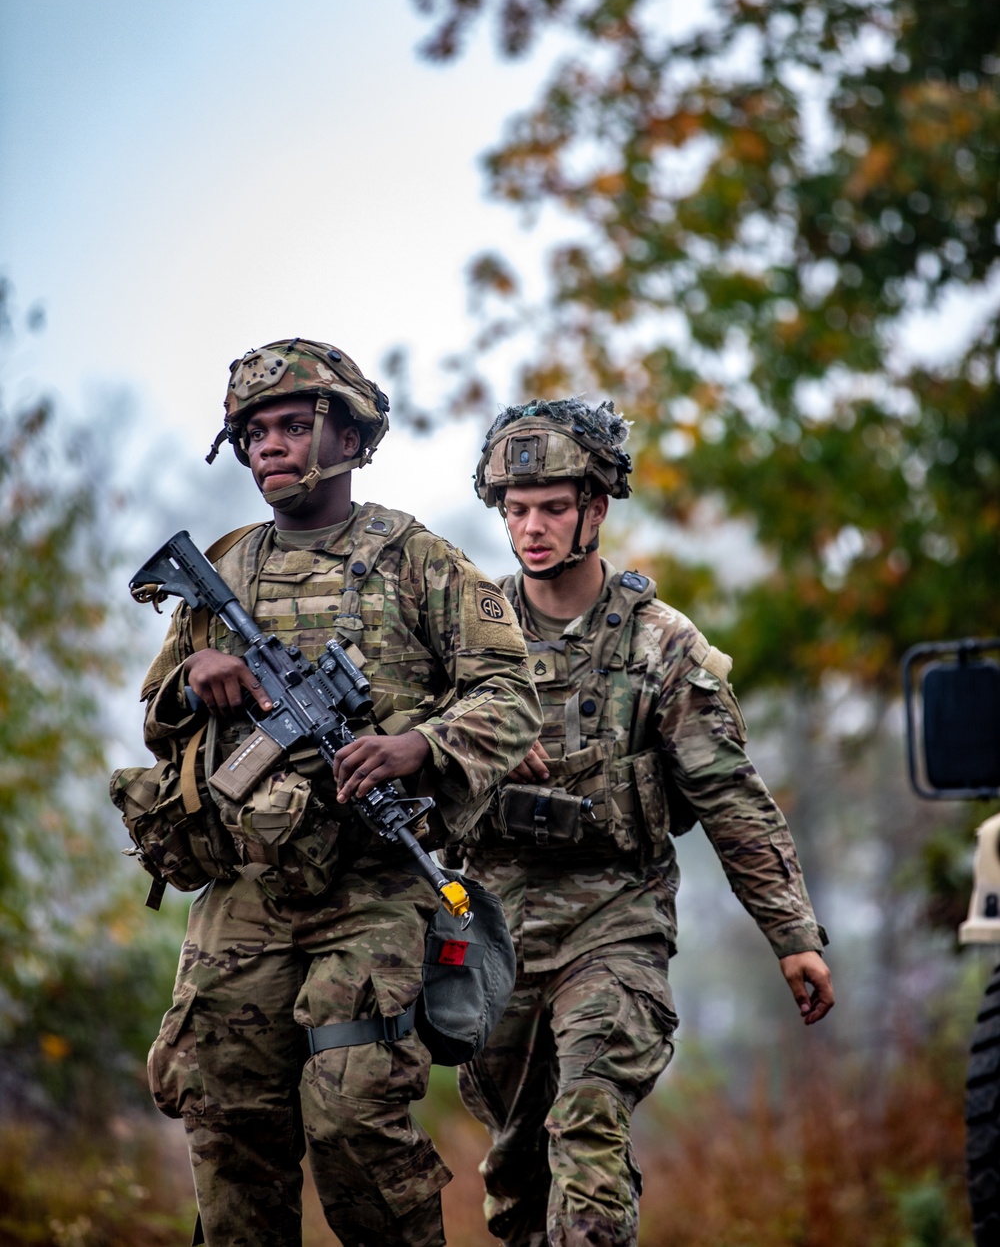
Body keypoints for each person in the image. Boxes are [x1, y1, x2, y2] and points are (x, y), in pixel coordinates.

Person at [137, 340, 542, 1247]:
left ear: (350, 438)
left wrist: (417, 746)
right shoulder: (226, 569)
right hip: (242, 892)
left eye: (292, 426)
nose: (269, 448)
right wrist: (194, 677)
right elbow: (157, 718)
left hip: (371, 886)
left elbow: (511, 696)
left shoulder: (416, 561)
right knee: (226, 1122)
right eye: (253, 434)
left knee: (355, 1118)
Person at [452, 397, 834, 1247]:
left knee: (587, 1120)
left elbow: (733, 798)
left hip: (614, 925)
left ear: (596, 506)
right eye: (516, 510)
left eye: (553, 506)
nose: (533, 527)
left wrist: (793, 934)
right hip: (492, 936)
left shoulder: (662, 646)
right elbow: (394, 756)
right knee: (516, 1179)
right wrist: (471, 742)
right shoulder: (468, 642)